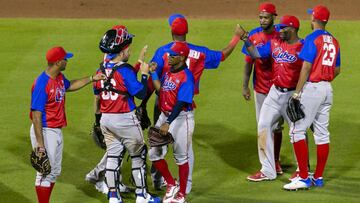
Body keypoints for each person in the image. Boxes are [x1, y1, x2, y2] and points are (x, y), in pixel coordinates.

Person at [140, 13, 244, 193]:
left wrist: (142, 105)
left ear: (171, 32)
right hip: (181, 103)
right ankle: (180, 185)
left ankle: (163, 181)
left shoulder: (163, 52)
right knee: (181, 150)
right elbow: (223, 55)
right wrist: (236, 37)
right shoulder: (200, 52)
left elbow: (152, 81)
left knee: (159, 143)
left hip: (167, 103)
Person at [93, 26, 160, 203]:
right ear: (121, 52)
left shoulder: (100, 69)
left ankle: (113, 196)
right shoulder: (124, 71)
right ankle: (142, 195)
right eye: (128, 48)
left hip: (106, 120)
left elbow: (116, 80)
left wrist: (138, 63)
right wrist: (145, 75)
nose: (129, 50)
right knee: (139, 154)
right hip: (124, 119)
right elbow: (139, 93)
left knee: (113, 156)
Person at [30, 46, 105, 203]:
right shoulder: (41, 83)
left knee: (54, 171)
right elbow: (36, 116)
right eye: (65, 59)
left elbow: (70, 85)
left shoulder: (58, 78)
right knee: (44, 171)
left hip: (55, 130)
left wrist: (92, 78)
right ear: (58, 62)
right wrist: (40, 145)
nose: (67, 61)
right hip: (44, 130)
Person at [283, 5, 341, 190]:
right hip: (327, 90)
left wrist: (297, 93)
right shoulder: (334, 41)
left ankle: (303, 178)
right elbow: (337, 69)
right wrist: (325, 79)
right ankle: (318, 177)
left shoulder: (312, 38)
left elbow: (306, 67)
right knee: (322, 135)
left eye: (311, 17)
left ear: (314, 19)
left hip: (312, 89)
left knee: (296, 131)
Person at [241, 15, 304, 181]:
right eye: (280, 27)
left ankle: (302, 170)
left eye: (283, 28)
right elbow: (256, 54)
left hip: (292, 95)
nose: (279, 30)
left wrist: (304, 95)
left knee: (297, 132)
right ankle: (268, 169)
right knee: (263, 125)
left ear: (293, 29)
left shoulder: (303, 46)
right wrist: (246, 40)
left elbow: (310, 71)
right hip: (274, 93)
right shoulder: (275, 43)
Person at [242, 2, 285, 181]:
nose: (262, 20)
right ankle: (267, 164)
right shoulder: (253, 34)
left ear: (274, 17)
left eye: (266, 17)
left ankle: (275, 161)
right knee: (263, 128)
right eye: (260, 17)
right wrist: (245, 85)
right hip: (260, 88)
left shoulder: (281, 35)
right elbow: (249, 61)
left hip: (279, 88)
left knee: (278, 127)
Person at [148, 41, 195, 203]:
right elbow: (161, 90)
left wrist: (167, 122)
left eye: (173, 55)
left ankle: (182, 195)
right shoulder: (169, 72)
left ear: (182, 58)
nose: (168, 57)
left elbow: (181, 103)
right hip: (165, 115)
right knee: (153, 154)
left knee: (181, 157)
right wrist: (154, 73)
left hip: (181, 118)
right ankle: (171, 183)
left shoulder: (187, 77)